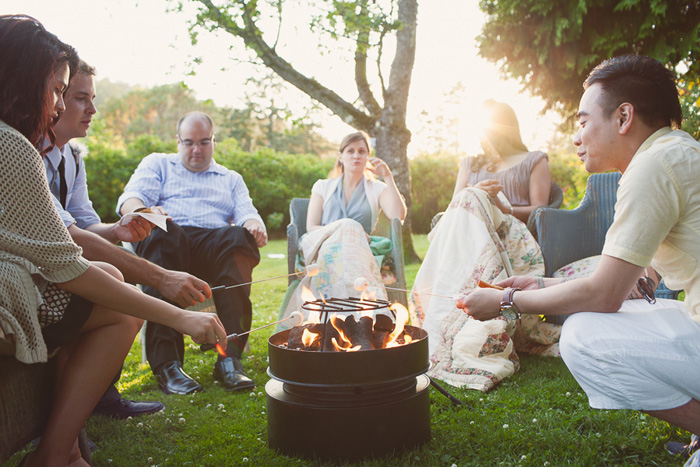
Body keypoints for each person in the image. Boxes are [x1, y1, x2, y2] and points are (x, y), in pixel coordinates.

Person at [0, 15, 226, 467]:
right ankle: (53, 456)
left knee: (109, 272)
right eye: (61, 91)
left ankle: (62, 451)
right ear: (24, 80)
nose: (64, 106)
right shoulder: (13, 148)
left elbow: (75, 229)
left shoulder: (61, 157)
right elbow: (66, 257)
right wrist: (179, 314)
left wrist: (121, 234)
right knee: (115, 299)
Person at [457, 55, 700, 466]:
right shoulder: (675, 152)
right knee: (614, 313)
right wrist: (537, 285)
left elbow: (602, 294)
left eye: (583, 121)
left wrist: (505, 302)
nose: (576, 136)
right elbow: (618, 281)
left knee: (582, 337)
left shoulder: (651, 168)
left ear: (624, 116)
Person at [45, 59, 193, 419]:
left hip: (62, 259)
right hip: (38, 265)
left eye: (92, 98)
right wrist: (160, 278)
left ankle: (101, 396)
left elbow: (85, 225)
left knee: (111, 270)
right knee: (111, 278)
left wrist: (116, 231)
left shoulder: (73, 159)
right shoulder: (27, 153)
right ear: (56, 99)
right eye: (81, 98)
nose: (92, 109)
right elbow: (68, 236)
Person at [409, 100, 559, 391]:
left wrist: (502, 206)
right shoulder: (470, 164)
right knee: (469, 197)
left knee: (473, 198)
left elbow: (541, 209)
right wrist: (477, 196)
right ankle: (444, 325)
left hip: (510, 234)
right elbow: (457, 205)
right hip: (471, 232)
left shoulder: (534, 159)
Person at [117, 111, 268, 394]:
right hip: (170, 238)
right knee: (164, 235)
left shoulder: (230, 178)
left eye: (203, 142)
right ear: (178, 141)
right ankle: (168, 366)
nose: (196, 150)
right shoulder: (158, 164)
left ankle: (229, 359)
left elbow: (247, 212)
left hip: (213, 244)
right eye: (188, 142)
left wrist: (252, 224)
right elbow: (131, 198)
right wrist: (143, 211)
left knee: (239, 237)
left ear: (213, 140)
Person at [278, 130, 407, 326]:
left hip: (359, 250)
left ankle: (364, 322)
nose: (356, 155)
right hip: (323, 246)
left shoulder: (376, 188)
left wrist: (388, 177)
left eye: (362, 151)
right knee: (348, 225)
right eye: (350, 150)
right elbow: (311, 227)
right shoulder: (322, 186)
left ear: (368, 157)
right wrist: (346, 227)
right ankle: (331, 322)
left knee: (350, 233)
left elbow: (398, 215)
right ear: (340, 156)